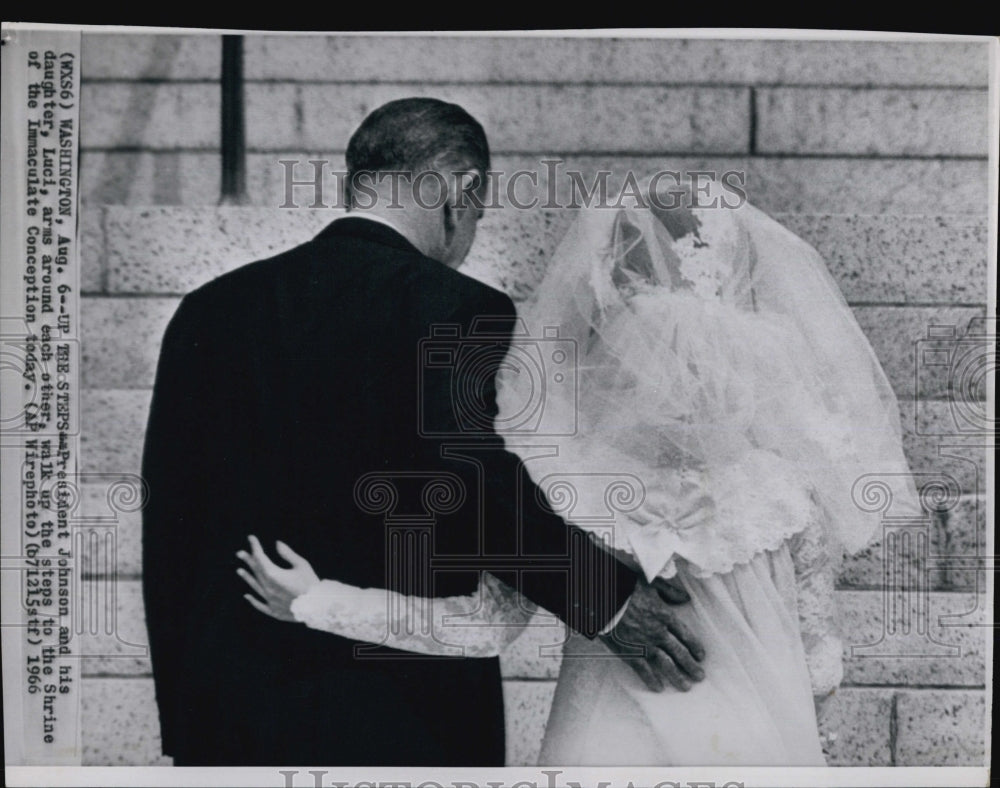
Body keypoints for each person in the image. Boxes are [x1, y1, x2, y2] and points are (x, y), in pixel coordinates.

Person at [238, 179, 921, 765]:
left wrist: (319, 600)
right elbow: (821, 663)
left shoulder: (569, 485)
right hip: (761, 746)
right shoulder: (787, 495)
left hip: (604, 750)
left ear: (608, 302)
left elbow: (480, 627)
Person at [141, 97, 705, 767]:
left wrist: (187, 724)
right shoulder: (458, 309)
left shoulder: (209, 308)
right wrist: (606, 604)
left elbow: (170, 529)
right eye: (478, 214)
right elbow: (478, 483)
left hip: (231, 718)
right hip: (402, 711)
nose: (468, 236)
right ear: (459, 191)